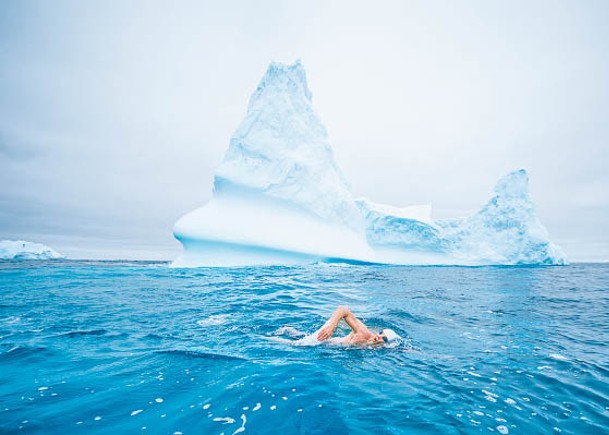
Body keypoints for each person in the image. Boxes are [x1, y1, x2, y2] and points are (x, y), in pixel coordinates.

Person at [316, 306, 397, 346]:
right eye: (381, 333)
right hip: (321, 340)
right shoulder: (363, 333)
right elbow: (343, 310)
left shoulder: (374, 347)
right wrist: (331, 328)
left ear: (386, 344)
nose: (379, 336)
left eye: (384, 338)